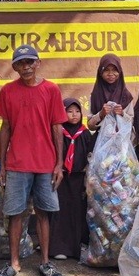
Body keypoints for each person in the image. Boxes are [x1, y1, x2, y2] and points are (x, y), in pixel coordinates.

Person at [0, 45, 67, 276]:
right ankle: (14, 263)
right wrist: (3, 164)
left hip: (45, 164)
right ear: (15, 67)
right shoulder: (8, 91)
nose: (26, 67)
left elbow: (57, 127)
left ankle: (45, 262)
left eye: (30, 62)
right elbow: (5, 128)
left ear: (38, 63)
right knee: (15, 214)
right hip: (17, 163)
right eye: (21, 63)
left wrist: (59, 164)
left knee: (44, 213)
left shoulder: (51, 90)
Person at [49, 98, 96, 260]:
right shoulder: (58, 132)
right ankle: (59, 247)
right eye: (69, 111)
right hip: (61, 177)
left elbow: (90, 155)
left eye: (77, 111)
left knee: (78, 211)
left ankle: (76, 248)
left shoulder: (84, 133)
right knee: (60, 211)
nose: (74, 115)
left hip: (79, 178)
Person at [87, 53, 134, 131]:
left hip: (122, 138)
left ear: (119, 71)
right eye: (106, 70)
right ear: (100, 72)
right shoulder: (95, 96)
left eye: (114, 70)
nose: (110, 74)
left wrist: (122, 114)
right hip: (101, 138)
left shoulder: (126, 95)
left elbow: (132, 122)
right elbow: (90, 126)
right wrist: (100, 114)